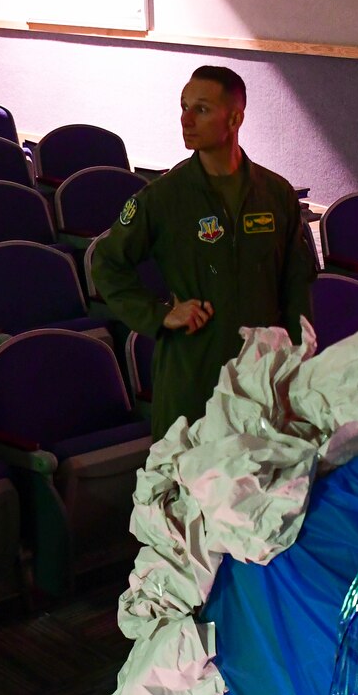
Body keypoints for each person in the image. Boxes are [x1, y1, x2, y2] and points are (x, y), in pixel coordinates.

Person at [88, 65, 316, 437]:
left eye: (202, 109)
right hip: (194, 368)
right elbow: (107, 263)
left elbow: (296, 283)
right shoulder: (165, 197)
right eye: (184, 106)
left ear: (235, 118)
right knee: (188, 479)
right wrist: (159, 314)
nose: (186, 119)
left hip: (262, 368)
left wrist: (298, 355)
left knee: (261, 480)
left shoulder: (275, 194)